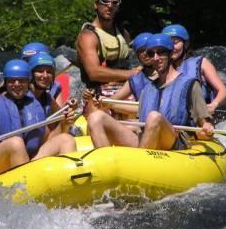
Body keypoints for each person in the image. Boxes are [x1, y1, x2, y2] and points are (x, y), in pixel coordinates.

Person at [86, 33, 214, 150]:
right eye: (151, 54)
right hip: (145, 140)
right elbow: (140, 123)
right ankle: (107, 166)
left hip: (174, 140)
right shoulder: (147, 89)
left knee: (154, 117)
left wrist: (206, 130)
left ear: (170, 54)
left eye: (161, 52)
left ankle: (140, 164)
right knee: (96, 117)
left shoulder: (190, 84)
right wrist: (111, 112)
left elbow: (204, 123)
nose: (156, 58)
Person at [0, 59, 77, 177]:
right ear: (6, 82)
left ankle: (68, 183)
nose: (17, 84)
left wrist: (63, 124)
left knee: (65, 139)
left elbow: (45, 141)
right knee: (15, 143)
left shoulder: (35, 104)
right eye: (12, 81)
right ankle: (30, 188)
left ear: (29, 82)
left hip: (25, 160)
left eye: (21, 81)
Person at [76, 0, 140, 112]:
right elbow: (94, 72)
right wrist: (131, 74)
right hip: (98, 94)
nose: (109, 6)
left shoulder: (123, 33)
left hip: (126, 91)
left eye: (114, 2)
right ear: (96, 4)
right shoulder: (88, 36)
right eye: (104, 1)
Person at [84, 32, 156, 117]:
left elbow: (149, 108)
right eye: (141, 51)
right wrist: (94, 99)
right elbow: (112, 100)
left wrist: (111, 104)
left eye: (148, 49)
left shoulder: (168, 73)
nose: (145, 53)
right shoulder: (136, 78)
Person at [162, 24, 226, 115]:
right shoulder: (161, 66)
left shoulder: (202, 63)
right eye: (168, 44)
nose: (172, 47)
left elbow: (223, 91)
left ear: (185, 44)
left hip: (199, 119)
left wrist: (214, 104)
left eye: (175, 42)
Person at [19, 42, 65, 106]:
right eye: (26, 61)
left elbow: (60, 114)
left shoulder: (53, 87)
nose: (45, 75)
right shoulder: (17, 88)